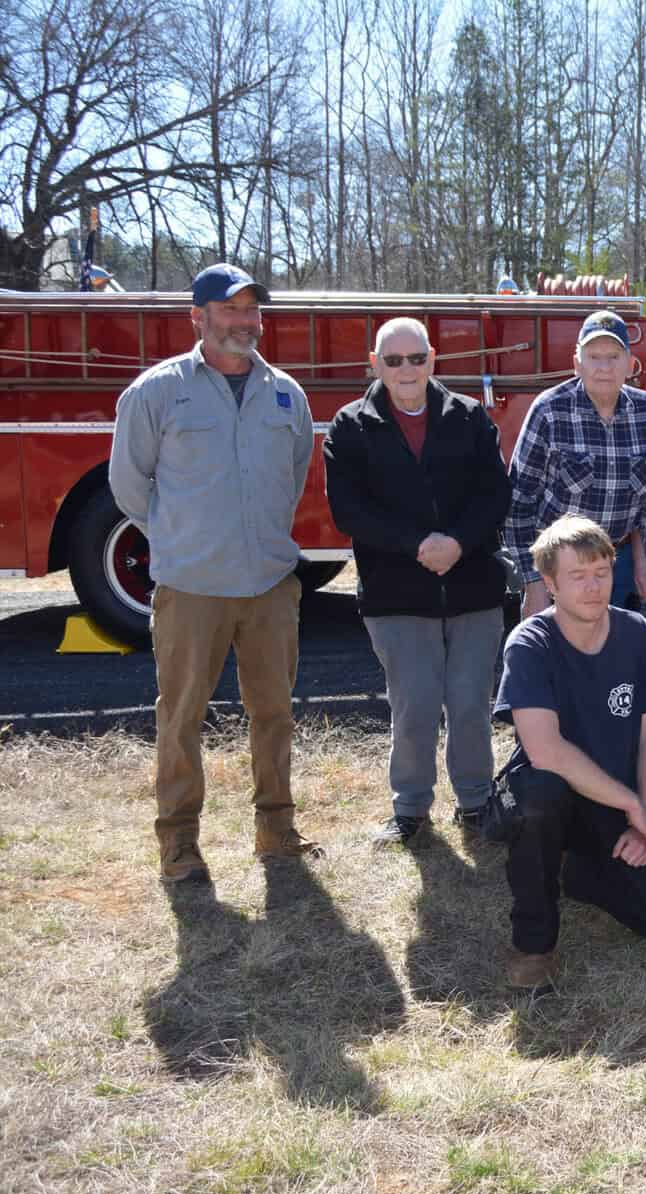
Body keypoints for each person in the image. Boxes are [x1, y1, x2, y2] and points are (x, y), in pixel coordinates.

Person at [109, 263, 320, 882]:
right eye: (230, 311)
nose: (245, 323)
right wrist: (179, 537)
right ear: (197, 318)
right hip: (192, 587)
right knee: (181, 716)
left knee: (274, 711)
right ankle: (178, 842)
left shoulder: (286, 394)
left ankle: (276, 830)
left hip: (270, 586)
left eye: (252, 310)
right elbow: (127, 486)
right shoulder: (156, 392)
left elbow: (295, 474)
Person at [323, 317, 513, 847]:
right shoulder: (350, 426)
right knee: (415, 704)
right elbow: (349, 510)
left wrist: (457, 541)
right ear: (373, 364)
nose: (405, 370)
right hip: (396, 593)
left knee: (471, 701)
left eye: (415, 358)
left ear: (432, 360)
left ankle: (475, 802)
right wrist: (417, 545)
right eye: (392, 360)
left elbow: (495, 494)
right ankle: (410, 808)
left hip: (473, 585)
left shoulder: (469, 417)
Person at [494, 517, 646, 991]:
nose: (593, 587)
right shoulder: (529, 643)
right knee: (538, 795)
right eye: (577, 576)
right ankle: (534, 944)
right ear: (549, 583)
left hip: (613, 798)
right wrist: (633, 805)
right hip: (549, 796)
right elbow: (545, 750)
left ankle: (585, 875)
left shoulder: (635, 633)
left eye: (602, 573)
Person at [504, 310, 646, 621]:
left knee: (613, 663)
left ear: (630, 363)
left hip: (616, 565)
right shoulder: (549, 410)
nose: (604, 367)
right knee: (559, 664)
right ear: (577, 362)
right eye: (594, 357)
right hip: (559, 566)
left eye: (613, 356)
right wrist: (534, 582)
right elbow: (518, 504)